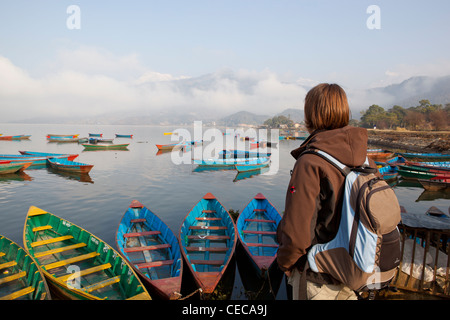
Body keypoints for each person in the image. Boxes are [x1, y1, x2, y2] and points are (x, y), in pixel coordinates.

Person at [276, 83, 379, 300]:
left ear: (310, 115)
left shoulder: (311, 162)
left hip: (318, 277)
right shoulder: (365, 159)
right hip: (356, 271)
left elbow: (297, 233)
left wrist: (286, 263)